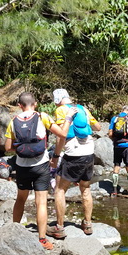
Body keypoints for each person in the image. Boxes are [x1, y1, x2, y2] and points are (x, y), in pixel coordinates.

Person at [4, 92, 72, 250]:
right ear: (35, 103)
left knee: (20, 199)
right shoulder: (43, 117)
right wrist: (68, 118)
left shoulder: (13, 121)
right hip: (41, 165)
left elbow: (7, 148)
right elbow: (62, 134)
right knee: (41, 202)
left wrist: (22, 146)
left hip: (21, 166)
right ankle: (42, 240)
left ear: (19, 106)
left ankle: (15, 233)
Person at [47, 88, 101, 238]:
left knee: (59, 189)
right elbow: (97, 127)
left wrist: (56, 156)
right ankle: (88, 224)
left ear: (57, 100)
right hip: (89, 151)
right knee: (85, 189)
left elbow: (61, 136)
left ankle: (59, 227)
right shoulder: (82, 108)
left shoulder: (61, 110)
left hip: (73, 153)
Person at [108, 105, 128, 196]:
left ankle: (114, 190)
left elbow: (110, 133)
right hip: (127, 145)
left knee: (116, 166)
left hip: (117, 145)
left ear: (122, 110)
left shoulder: (115, 118)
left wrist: (115, 140)